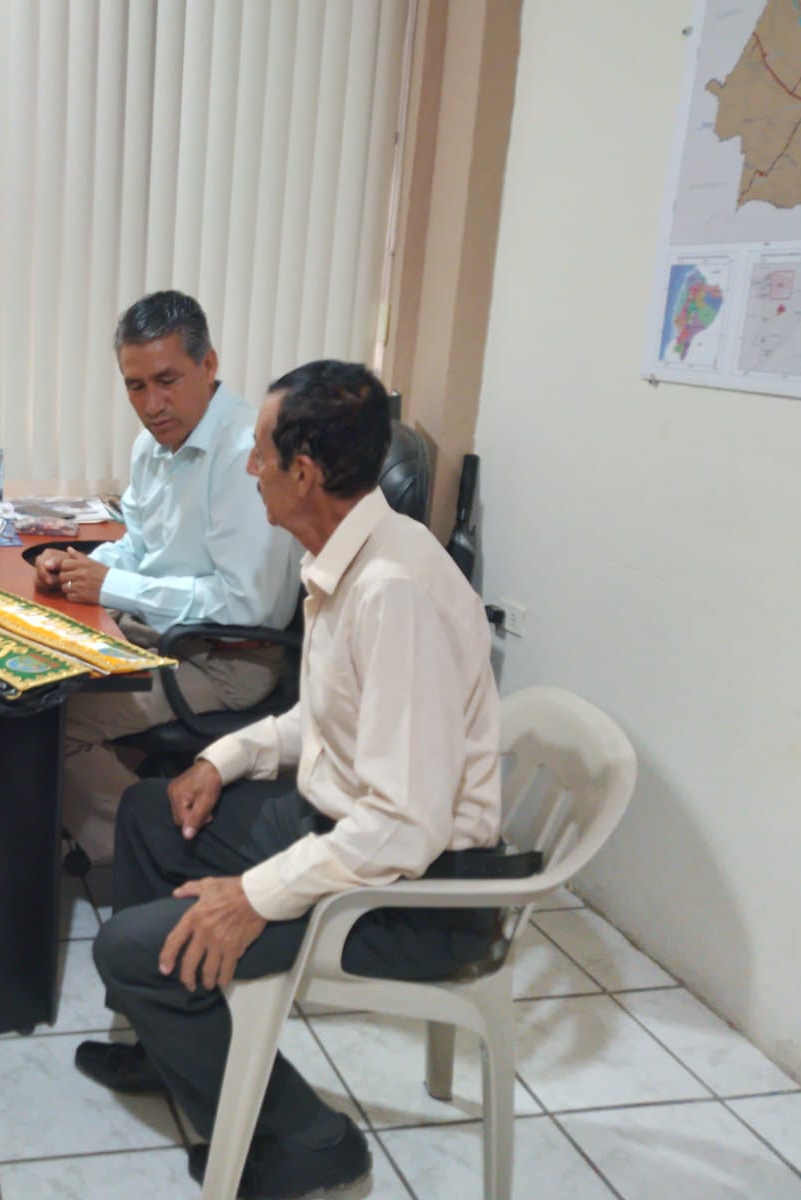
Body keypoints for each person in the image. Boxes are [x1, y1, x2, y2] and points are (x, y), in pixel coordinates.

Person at [75, 361, 506, 1198]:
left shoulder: (392, 590)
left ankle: (313, 1141)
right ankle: (170, 1048)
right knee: (150, 812)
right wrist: (222, 758)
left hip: (414, 895)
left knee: (128, 950)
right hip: (344, 830)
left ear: (302, 473)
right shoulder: (351, 554)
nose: (249, 466)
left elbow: (404, 827)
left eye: (261, 454)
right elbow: (328, 716)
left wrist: (255, 894)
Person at [41, 291, 302, 864]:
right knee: (44, 676)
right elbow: (141, 547)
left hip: (231, 659)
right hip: (166, 635)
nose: (152, 404)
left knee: (56, 723)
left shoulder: (245, 453)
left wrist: (112, 587)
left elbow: (247, 605)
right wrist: (79, 566)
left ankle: (159, 851)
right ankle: (120, 829)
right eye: (136, 386)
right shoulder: (152, 446)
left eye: (167, 381)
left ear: (208, 365)